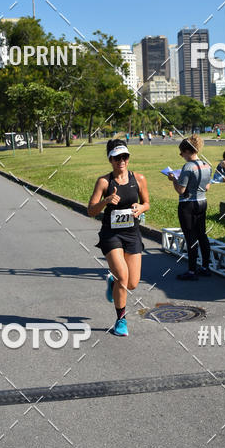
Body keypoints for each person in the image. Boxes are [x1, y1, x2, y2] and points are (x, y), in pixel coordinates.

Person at [88, 139, 150, 337]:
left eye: (125, 156)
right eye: (117, 157)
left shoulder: (139, 179)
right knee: (123, 278)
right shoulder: (104, 182)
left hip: (132, 233)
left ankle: (112, 283)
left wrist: (141, 207)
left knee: (132, 283)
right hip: (111, 234)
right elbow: (90, 210)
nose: (121, 161)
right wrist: (106, 200)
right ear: (110, 159)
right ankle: (121, 320)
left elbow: (147, 202)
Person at [168, 135, 212, 280]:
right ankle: (205, 266)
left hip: (188, 204)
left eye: (182, 153)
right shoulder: (206, 165)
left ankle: (192, 271)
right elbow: (207, 187)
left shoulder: (188, 166)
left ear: (188, 151)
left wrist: (174, 179)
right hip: (202, 202)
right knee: (202, 235)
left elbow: (181, 190)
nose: (181, 156)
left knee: (190, 237)